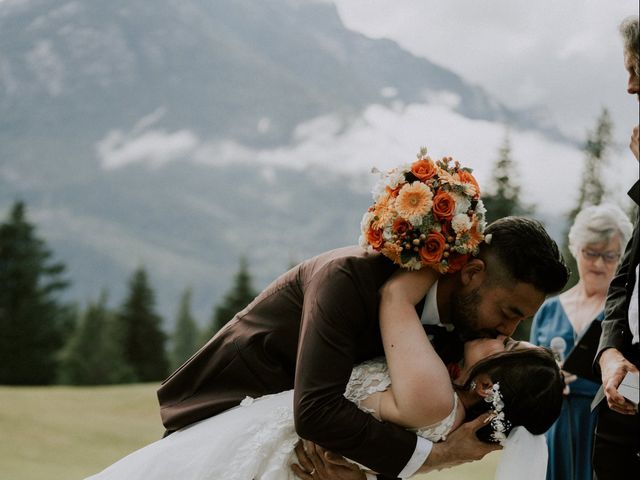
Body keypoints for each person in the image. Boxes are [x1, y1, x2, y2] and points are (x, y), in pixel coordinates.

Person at [156, 153, 568, 479]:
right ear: (473, 274)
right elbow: (316, 411)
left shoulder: (463, 341)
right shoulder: (348, 279)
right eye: (509, 312)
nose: (509, 330)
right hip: (224, 421)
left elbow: (398, 423)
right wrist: (436, 458)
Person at [86, 276, 565, 480]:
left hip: (275, 449)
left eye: (506, 346)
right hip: (258, 436)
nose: (504, 333)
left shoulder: (437, 398)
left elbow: (394, 298)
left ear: (486, 386)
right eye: (507, 332)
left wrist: (426, 252)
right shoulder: (444, 393)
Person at [530, 204, 632, 480]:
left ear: (623, 257)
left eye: (609, 256)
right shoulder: (547, 310)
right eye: (591, 253)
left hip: (604, 425)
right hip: (556, 426)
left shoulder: (625, 316)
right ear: (576, 250)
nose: (599, 264)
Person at [592, 15, 640, 480]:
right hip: (627, 394)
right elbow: (625, 279)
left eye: (635, 71)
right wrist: (609, 351)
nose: (629, 88)